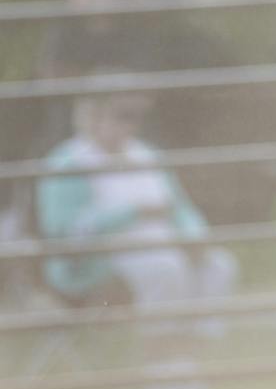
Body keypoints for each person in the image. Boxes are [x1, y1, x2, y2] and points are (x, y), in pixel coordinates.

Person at [37, 79, 240, 316]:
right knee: (165, 268)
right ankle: (160, 346)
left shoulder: (146, 154)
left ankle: (195, 346)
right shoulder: (69, 163)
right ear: (93, 116)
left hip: (161, 244)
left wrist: (194, 237)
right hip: (103, 257)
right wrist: (134, 213)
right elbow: (66, 229)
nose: (127, 125)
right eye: (120, 116)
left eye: (132, 118)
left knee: (218, 266)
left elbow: (179, 206)